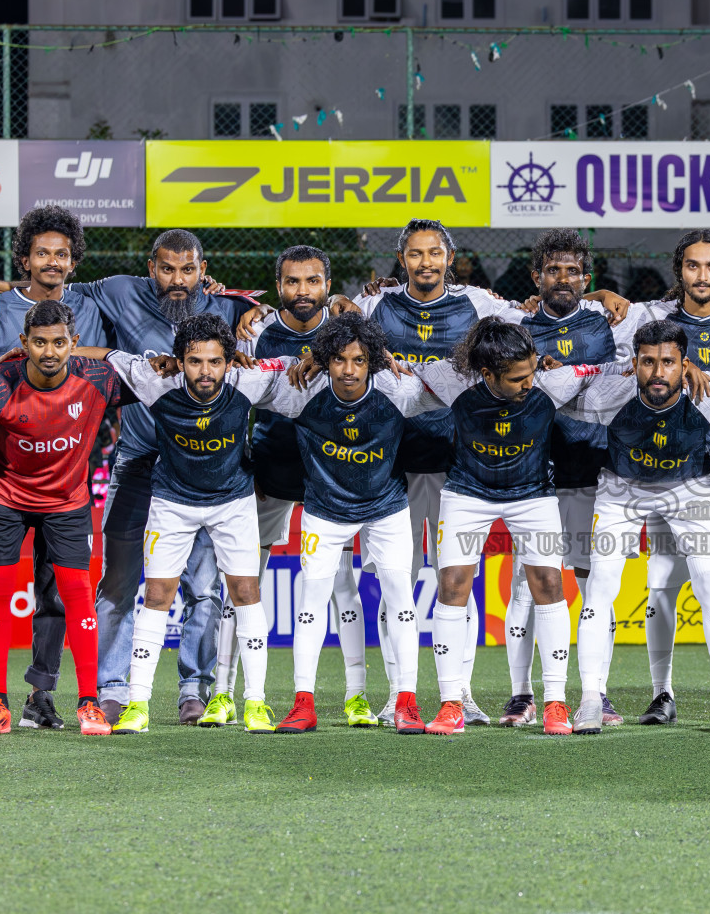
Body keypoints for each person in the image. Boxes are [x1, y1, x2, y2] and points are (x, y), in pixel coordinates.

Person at [336, 219, 626, 727]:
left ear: (450, 258)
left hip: (492, 478)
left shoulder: (491, 315)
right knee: (412, 583)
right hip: (407, 470)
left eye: (435, 253)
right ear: (400, 259)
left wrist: (598, 297)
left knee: (536, 585)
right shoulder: (418, 344)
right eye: (415, 254)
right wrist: (351, 329)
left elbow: (554, 310)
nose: (426, 262)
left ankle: (510, 698)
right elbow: (347, 341)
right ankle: (411, 697)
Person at [0, 229, 257, 726]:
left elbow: (279, 319)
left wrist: (288, 308)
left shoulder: (225, 306)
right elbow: (49, 285)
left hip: (203, 469)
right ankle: (109, 690)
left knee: (204, 587)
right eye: (167, 268)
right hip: (138, 460)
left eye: (188, 269)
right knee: (118, 581)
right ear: (151, 266)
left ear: (201, 268)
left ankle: (194, 688)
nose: (177, 279)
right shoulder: (118, 290)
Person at [0, 204, 106, 733]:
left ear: (73, 261)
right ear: (25, 258)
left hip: (63, 474)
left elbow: (103, 362)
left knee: (56, 593)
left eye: (61, 254)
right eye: (41, 253)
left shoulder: (90, 303)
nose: (52, 263)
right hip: (2, 477)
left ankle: (42, 695)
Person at [97, 314, 300, 735]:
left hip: (232, 503)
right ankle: (138, 704)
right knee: (156, 594)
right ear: (178, 360)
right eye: (194, 361)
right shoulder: (156, 380)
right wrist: (28, 352)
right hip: (172, 503)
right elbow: (106, 355)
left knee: (246, 592)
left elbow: (296, 363)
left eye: (214, 361)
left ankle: (256, 703)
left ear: (230, 361)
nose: (204, 372)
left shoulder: (248, 379)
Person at [406, 317, 605, 736]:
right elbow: (404, 373)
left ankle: (554, 703)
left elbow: (601, 370)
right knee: (453, 584)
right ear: (486, 374)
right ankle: (450, 704)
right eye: (517, 379)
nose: (529, 383)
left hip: (533, 495)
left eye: (531, 372)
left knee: (550, 585)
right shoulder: (453, 382)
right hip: (467, 492)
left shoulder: (549, 382)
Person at [214, 246, 380, 729]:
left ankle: (356, 695)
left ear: (328, 285)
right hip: (272, 468)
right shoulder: (257, 328)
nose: (302, 291)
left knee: (340, 583)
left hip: (330, 469)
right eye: (291, 282)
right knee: (244, 579)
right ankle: (224, 693)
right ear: (278, 285)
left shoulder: (346, 329)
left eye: (312, 281)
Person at [562, 319, 710, 734]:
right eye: (648, 362)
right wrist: (599, 370)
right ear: (635, 364)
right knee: (600, 585)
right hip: (621, 490)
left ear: (685, 365)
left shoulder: (708, 393)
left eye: (668, 362)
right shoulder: (610, 395)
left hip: (690, 490)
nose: (657, 372)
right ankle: (590, 698)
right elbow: (551, 394)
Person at [269, 313, 433, 734]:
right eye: (339, 359)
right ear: (325, 361)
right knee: (312, 600)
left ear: (373, 362)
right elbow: (252, 374)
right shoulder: (302, 390)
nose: (348, 370)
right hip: (325, 511)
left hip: (386, 508)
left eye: (359, 360)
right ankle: (303, 703)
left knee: (400, 594)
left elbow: (454, 377)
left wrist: (412, 366)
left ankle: (406, 702)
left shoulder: (399, 389)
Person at [620, 230, 710, 726]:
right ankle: (662, 693)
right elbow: (609, 340)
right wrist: (602, 293)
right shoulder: (652, 320)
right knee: (663, 585)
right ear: (679, 270)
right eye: (693, 266)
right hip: (668, 472)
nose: (703, 276)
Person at [499, 230, 630, 728]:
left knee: (595, 584)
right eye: (553, 270)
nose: (563, 279)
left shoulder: (609, 322)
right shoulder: (516, 326)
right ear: (537, 277)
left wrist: (604, 298)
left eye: (573, 271)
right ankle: (521, 695)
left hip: (596, 468)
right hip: (535, 472)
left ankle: (596, 692)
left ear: (586, 278)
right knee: (526, 586)